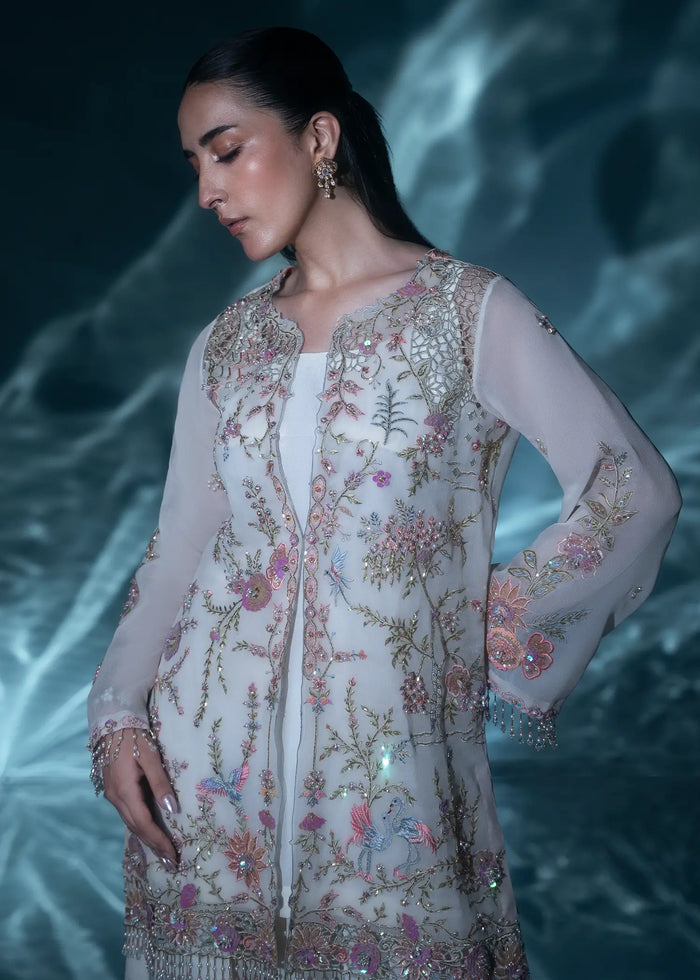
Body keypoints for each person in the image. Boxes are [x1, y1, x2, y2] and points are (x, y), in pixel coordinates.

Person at [87, 26, 681, 980]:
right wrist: (118, 717)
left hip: (389, 801)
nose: (207, 192)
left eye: (227, 151)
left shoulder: (465, 312)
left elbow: (632, 488)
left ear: (320, 138)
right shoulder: (228, 345)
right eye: (195, 164)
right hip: (209, 793)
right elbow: (181, 543)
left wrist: (486, 629)